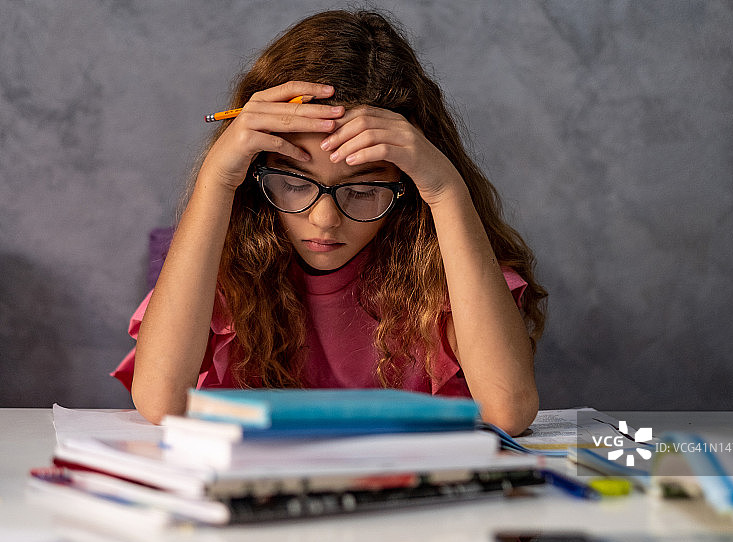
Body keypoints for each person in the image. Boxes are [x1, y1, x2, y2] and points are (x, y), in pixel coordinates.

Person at [112, 9, 547, 435]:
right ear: (254, 173)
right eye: (293, 183)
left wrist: (446, 190)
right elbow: (160, 400)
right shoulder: (227, 259)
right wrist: (218, 178)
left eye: (361, 192)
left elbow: (507, 410)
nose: (324, 219)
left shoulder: (442, 264)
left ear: (408, 186)